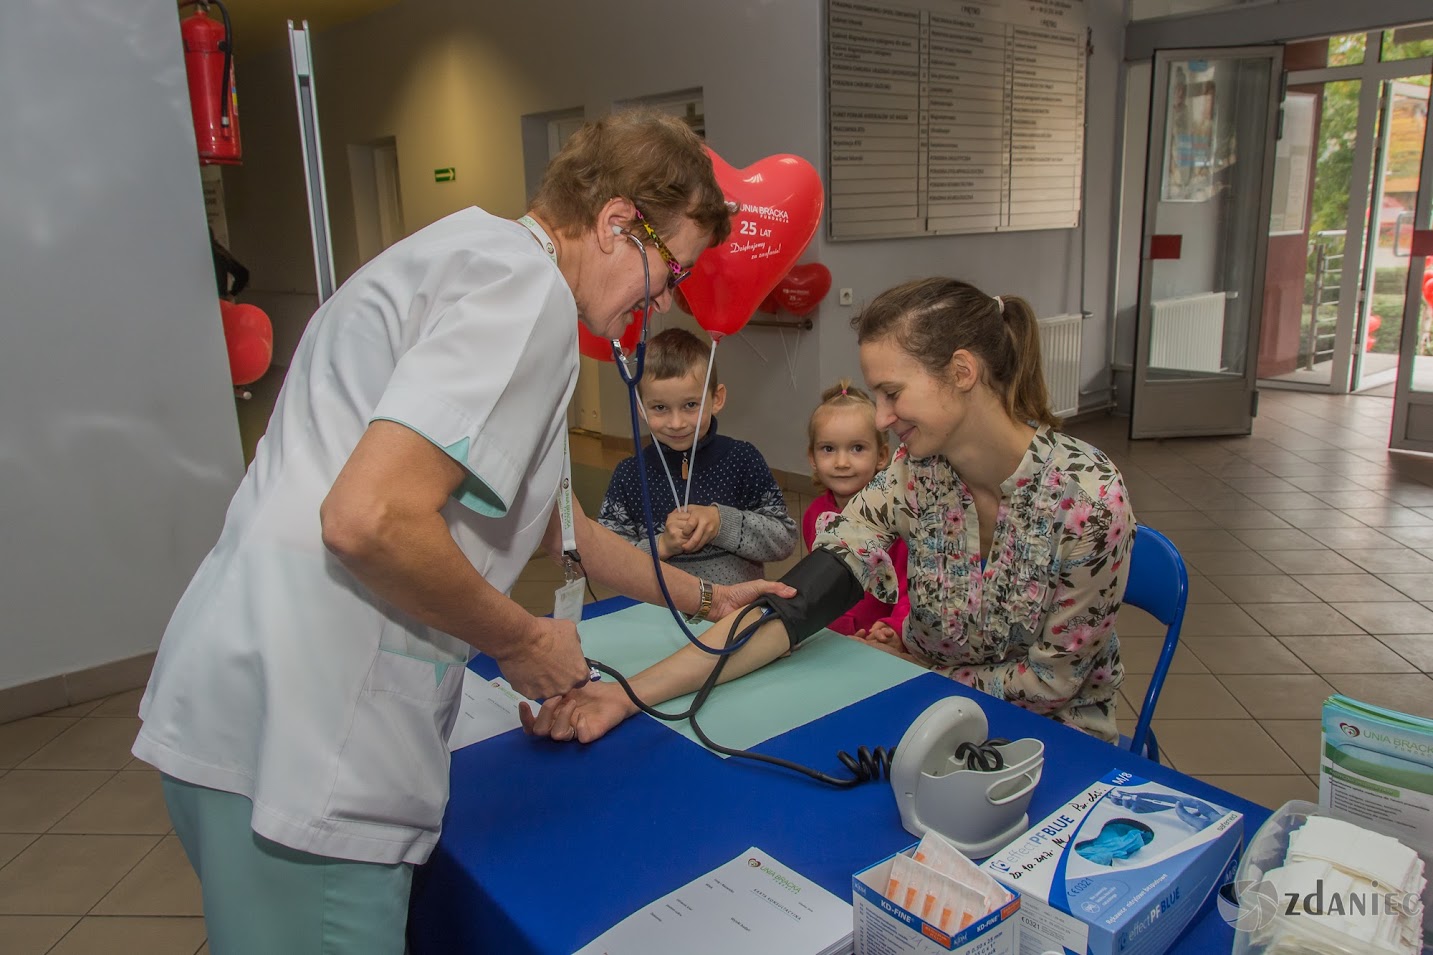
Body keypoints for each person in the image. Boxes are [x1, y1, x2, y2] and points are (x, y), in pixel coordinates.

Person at [131, 109, 791, 954]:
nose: (662, 302)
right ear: (618, 223)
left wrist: (708, 593)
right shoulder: (527, 299)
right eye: (670, 274)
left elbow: (565, 522)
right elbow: (369, 518)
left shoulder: (463, 253)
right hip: (310, 745)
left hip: (233, 694)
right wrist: (520, 641)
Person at [523, 277, 1133, 747]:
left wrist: (916, 668)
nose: (883, 417)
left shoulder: (1088, 501)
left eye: (893, 393)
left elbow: (1053, 682)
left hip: (1047, 742)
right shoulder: (917, 473)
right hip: (921, 711)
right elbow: (794, 605)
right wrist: (627, 697)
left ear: (963, 372)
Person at [598, 327, 798, 585]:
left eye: (691, 405)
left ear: (717, 398)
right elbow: (608, 560)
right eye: (660, 408)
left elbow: (783, 540)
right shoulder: (629, 475)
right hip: (657, 615)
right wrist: (661, 546)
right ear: (640, 407)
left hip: (734, 615)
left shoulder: (743, 460)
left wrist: (721, 523)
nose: (677, 422)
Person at [802, 380, 909, 640]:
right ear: (812, 458)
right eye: (828, 449)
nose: (841, 462)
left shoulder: (897, 520)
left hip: (878, 642)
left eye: (857, 448)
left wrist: (893, 629)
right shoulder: (814, 515)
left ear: (882, 456)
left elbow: (910, 591)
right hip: (830, 640)